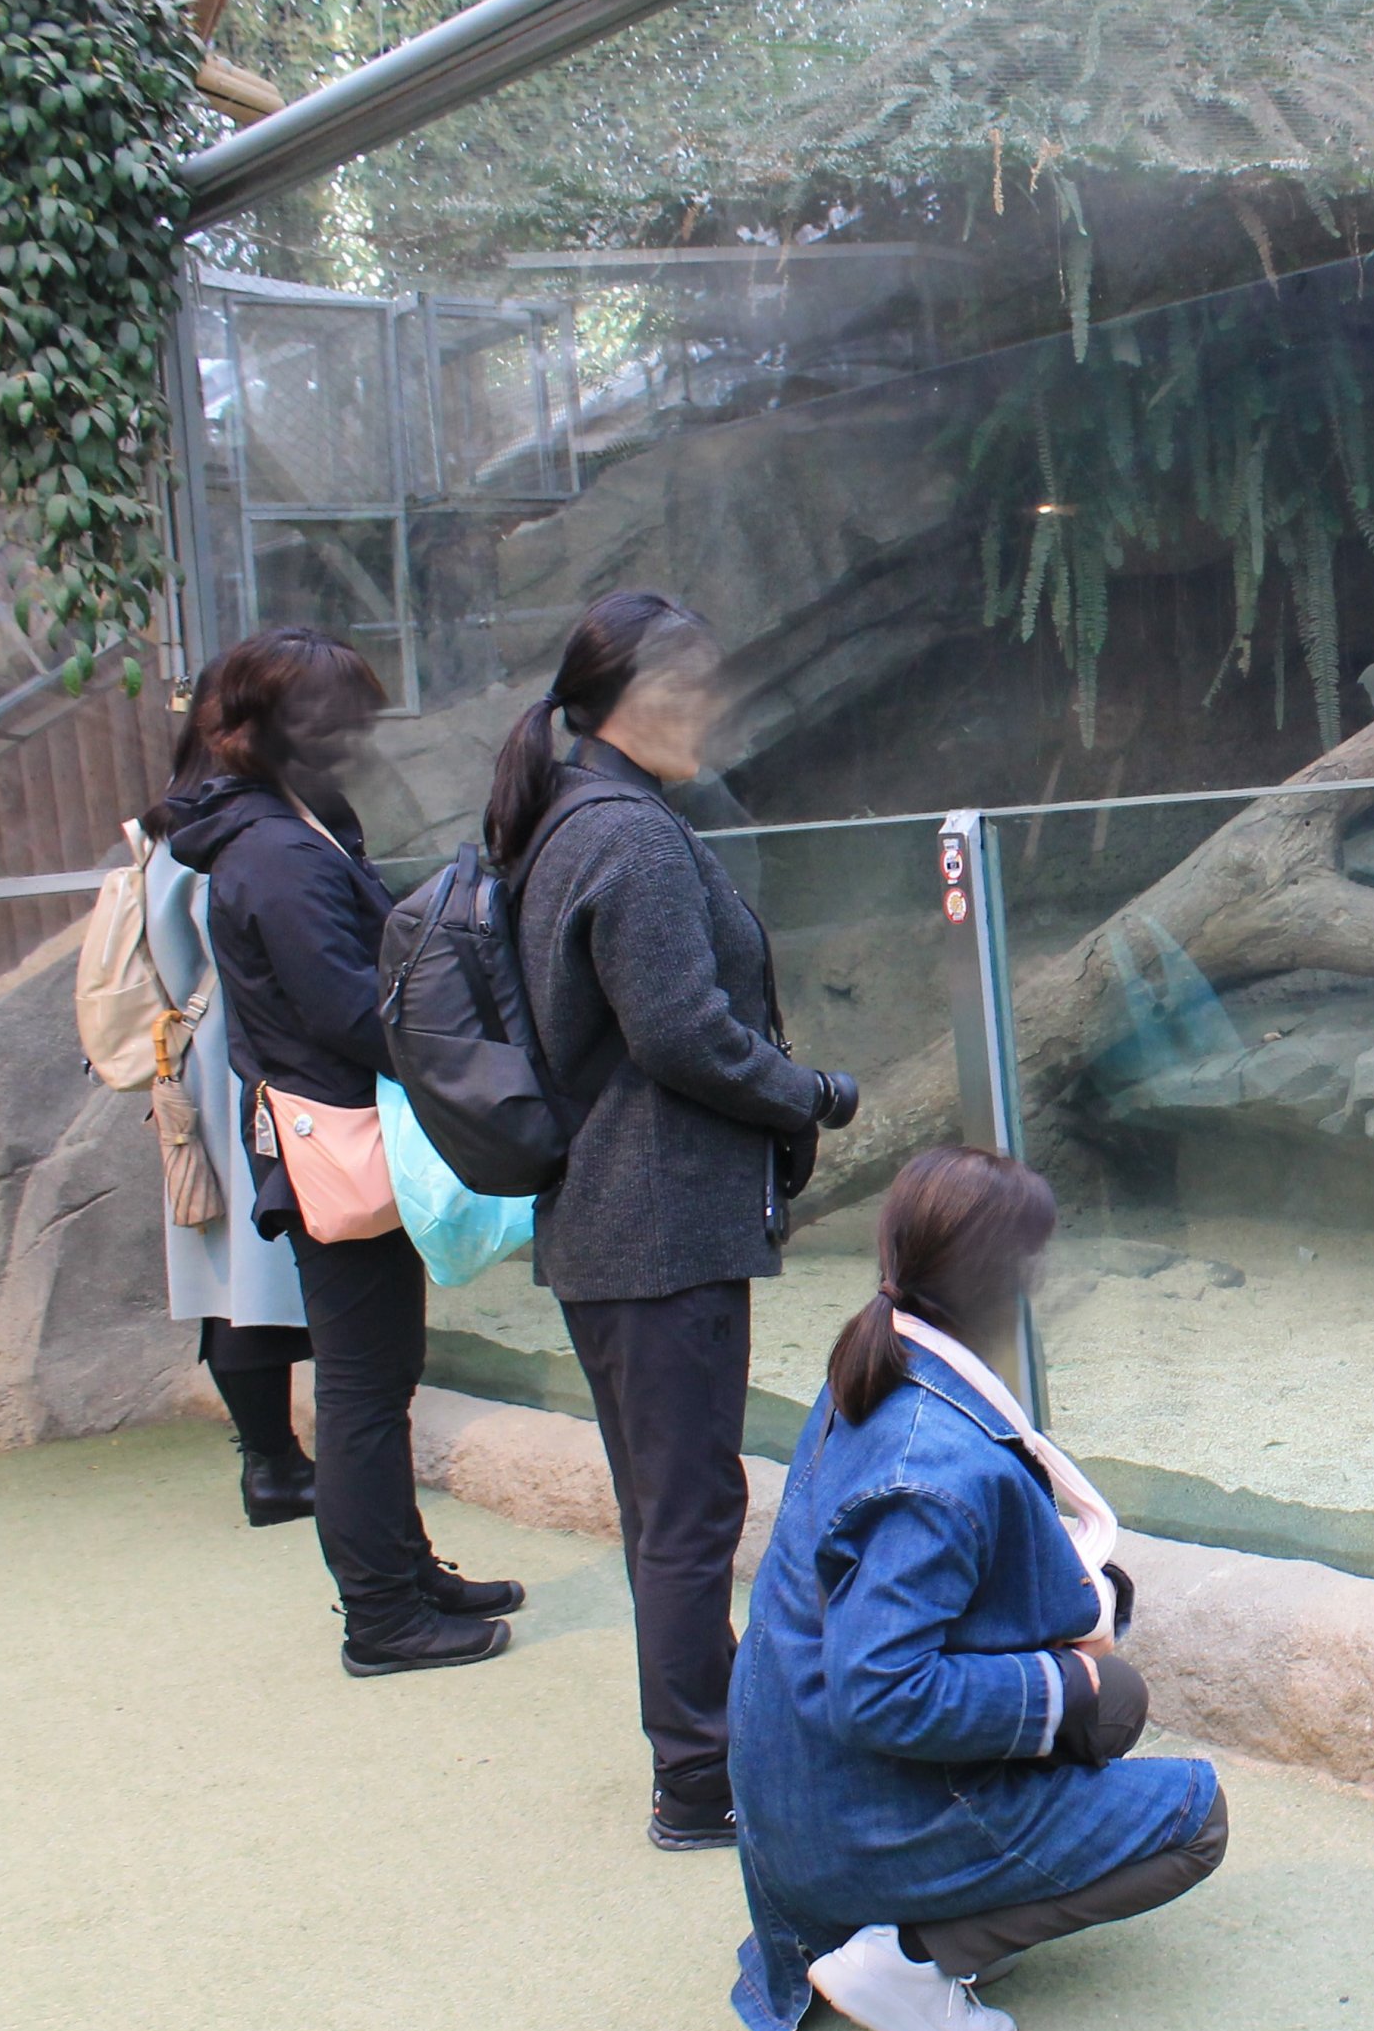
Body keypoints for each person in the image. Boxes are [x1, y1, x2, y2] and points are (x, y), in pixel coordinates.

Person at [490, 592, 860, 1850]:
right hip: (654, 1229)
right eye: (691, 689)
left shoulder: (567, 819)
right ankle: (700, 1777)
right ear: (629, 701)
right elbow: (682, 1033)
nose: (713, 712)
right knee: (689, 1518)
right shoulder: (631, 839)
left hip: (605, 1225)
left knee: (667, 1511)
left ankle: (714, 1744)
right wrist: (811, 1093)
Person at [728, 1146, 1224, 2031]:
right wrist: (1058, 1682)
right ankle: (912, 1958)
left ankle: (929, 1903)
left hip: (798, 1789)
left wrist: (1075, 1680)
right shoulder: (934, 1465)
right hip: (850, 1819)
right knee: (1196, 1819)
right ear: (1006, 1276)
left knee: (1114, 1703)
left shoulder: (873, 1368)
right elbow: (880, 1693)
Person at [162, 629, 525, 1675]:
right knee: (364, 1389)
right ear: (277, 727)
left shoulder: (283, 822)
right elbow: (343, 1008)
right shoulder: (273, 849)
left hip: (333, 1131)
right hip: (335, 1141)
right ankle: (381, 1615)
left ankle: (406, 1574)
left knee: (380, 1377)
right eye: (338, 716)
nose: (360, 733)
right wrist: (472, 1058)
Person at [141, 692, 315, 1529]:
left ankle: (273, 1461)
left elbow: (176, 962)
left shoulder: (172, 829)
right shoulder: (222, 833)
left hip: (207, 1047)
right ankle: (274, 1463)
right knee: (250, 1263)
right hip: (239, 1051)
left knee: (233, 1267)